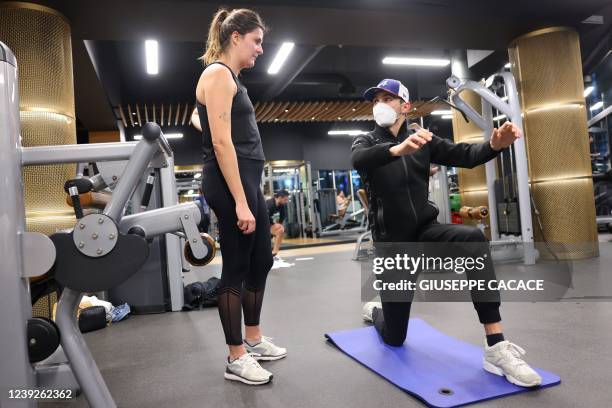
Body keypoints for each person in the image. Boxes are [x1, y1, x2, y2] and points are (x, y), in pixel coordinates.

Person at [352, 78, 542, 388]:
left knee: (473, 240)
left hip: (426, 232)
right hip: (393, 247)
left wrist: (495, 145)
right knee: (395, 337)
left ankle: (495, 346)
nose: (380, 105)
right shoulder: (366, 141)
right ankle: (378, 312)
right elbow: (357, 160)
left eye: (388, 99)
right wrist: (396, 149)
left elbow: (464, 154)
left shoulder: (423, 140)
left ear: (405, 106)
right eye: (376, 100)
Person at [195, 7, 286, 386]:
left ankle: (253, 338)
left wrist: (246, 192)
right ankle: (236, 357)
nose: (260, 49)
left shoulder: (228, 78)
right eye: (257, 41)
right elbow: (219, 140)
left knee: (261, 259)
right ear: (236, 37)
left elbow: (199, 120)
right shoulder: (218, 74)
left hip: (244, 178)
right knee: (236, 266)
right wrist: (241, 201)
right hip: (231, 182)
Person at [265, 190, 289, 261]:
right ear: (280, 197)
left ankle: (274, 254)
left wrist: (278, 225)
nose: (286, 201)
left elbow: (282, 218)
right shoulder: (269, 204)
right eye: (285, 199)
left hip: (270, 225)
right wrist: (273, 225)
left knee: (280, 230)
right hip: (262, 225)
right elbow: (264, 218)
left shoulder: (282, 206)